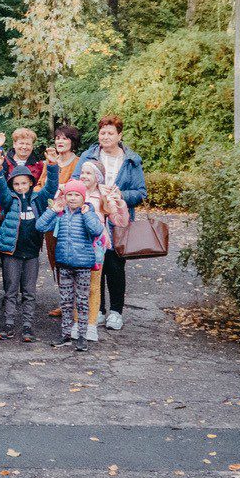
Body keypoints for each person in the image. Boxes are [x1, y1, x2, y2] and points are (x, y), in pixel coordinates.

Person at [74, 115, 148, 331]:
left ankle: (116, 311)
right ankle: (97, 310)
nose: (105, 136)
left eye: (110, 133)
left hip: (117, 219)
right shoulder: (88, 155)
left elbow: (140, 192)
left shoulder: (131, 160)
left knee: (115, 266)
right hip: (92, 217)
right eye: (102, 132)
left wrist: (120, 195)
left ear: (119, 135)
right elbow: (76, 181)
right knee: (95, 264)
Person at [0, 151, 60, 342]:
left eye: (24, 182)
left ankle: (28, 327)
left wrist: (53, 166)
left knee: (29, 291)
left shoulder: (38, 199)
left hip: (31, 253)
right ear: (12, 185)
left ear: (31, 182)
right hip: (11, 253)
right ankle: (8, 325)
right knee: (11, 289)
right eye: (16, 183)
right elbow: (1, 190)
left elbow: (52, 187)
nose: (20, 186)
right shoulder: (9, 200)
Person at [37, 180, 104, 352]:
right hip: (64, 264)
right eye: (70, 195)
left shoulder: (88, 212)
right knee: (66, 302)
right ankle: (65, 334)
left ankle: (82, 336)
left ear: (83, 197)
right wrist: (53, 210)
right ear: (65, 196)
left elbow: (96, 230)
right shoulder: (61, 214)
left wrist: (88, 213)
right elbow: (40, 226)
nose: (73, 198)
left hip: (83, 264)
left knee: (82, 301)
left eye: (77, 195)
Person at [44, 125, 82, 319]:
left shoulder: (78, 163)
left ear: (72, 142)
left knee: (71, 259)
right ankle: (64, 301)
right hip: (52, 220)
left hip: (71, 220)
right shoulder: (49, 162)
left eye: (65, 138)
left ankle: (76, 303)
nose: (60, 141)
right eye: (57, 138)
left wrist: (63, 188)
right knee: (55, 260)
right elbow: (40, 187)